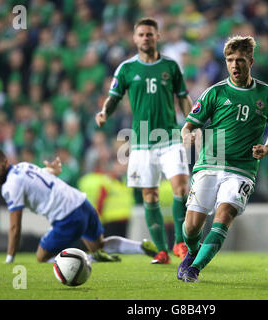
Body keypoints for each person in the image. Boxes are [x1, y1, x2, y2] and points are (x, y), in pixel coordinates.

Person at [177, 35, 268, 282]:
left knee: (224, 214)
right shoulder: (215, 93)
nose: (235, 65)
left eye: (240, 60)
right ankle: (192, 252)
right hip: (209, 163)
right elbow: (188, 126)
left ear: (251, 61)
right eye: (230, 60)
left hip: (242, 169)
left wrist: (267, 148)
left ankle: (194, 270)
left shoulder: (267, 95)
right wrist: (188, 136)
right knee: (192, 226)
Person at [95, 18, 193, 264]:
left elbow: (183, 97)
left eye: (150, 34)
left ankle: (180, 243)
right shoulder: (126, 69)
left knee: (181, 187)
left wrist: (192, 123)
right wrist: (105, 112)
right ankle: (161, 251)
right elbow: (114, 96)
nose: (146, 38)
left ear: (157, 36)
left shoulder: (171, 66)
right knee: (150, 195)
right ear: (135, 38)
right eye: (141, 34)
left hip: (170, 136)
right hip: (140, 142)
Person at [0, 149, 157, 263]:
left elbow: (14, 226)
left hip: (66, 216)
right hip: (82, 203)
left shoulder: (10, 185)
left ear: (5, 162)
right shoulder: (23, 166)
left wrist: (10, 258)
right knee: (99, 245)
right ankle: (140, 247)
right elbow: (42, 175)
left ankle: (85, 261)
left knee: (42, 256)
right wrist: (53, 171)